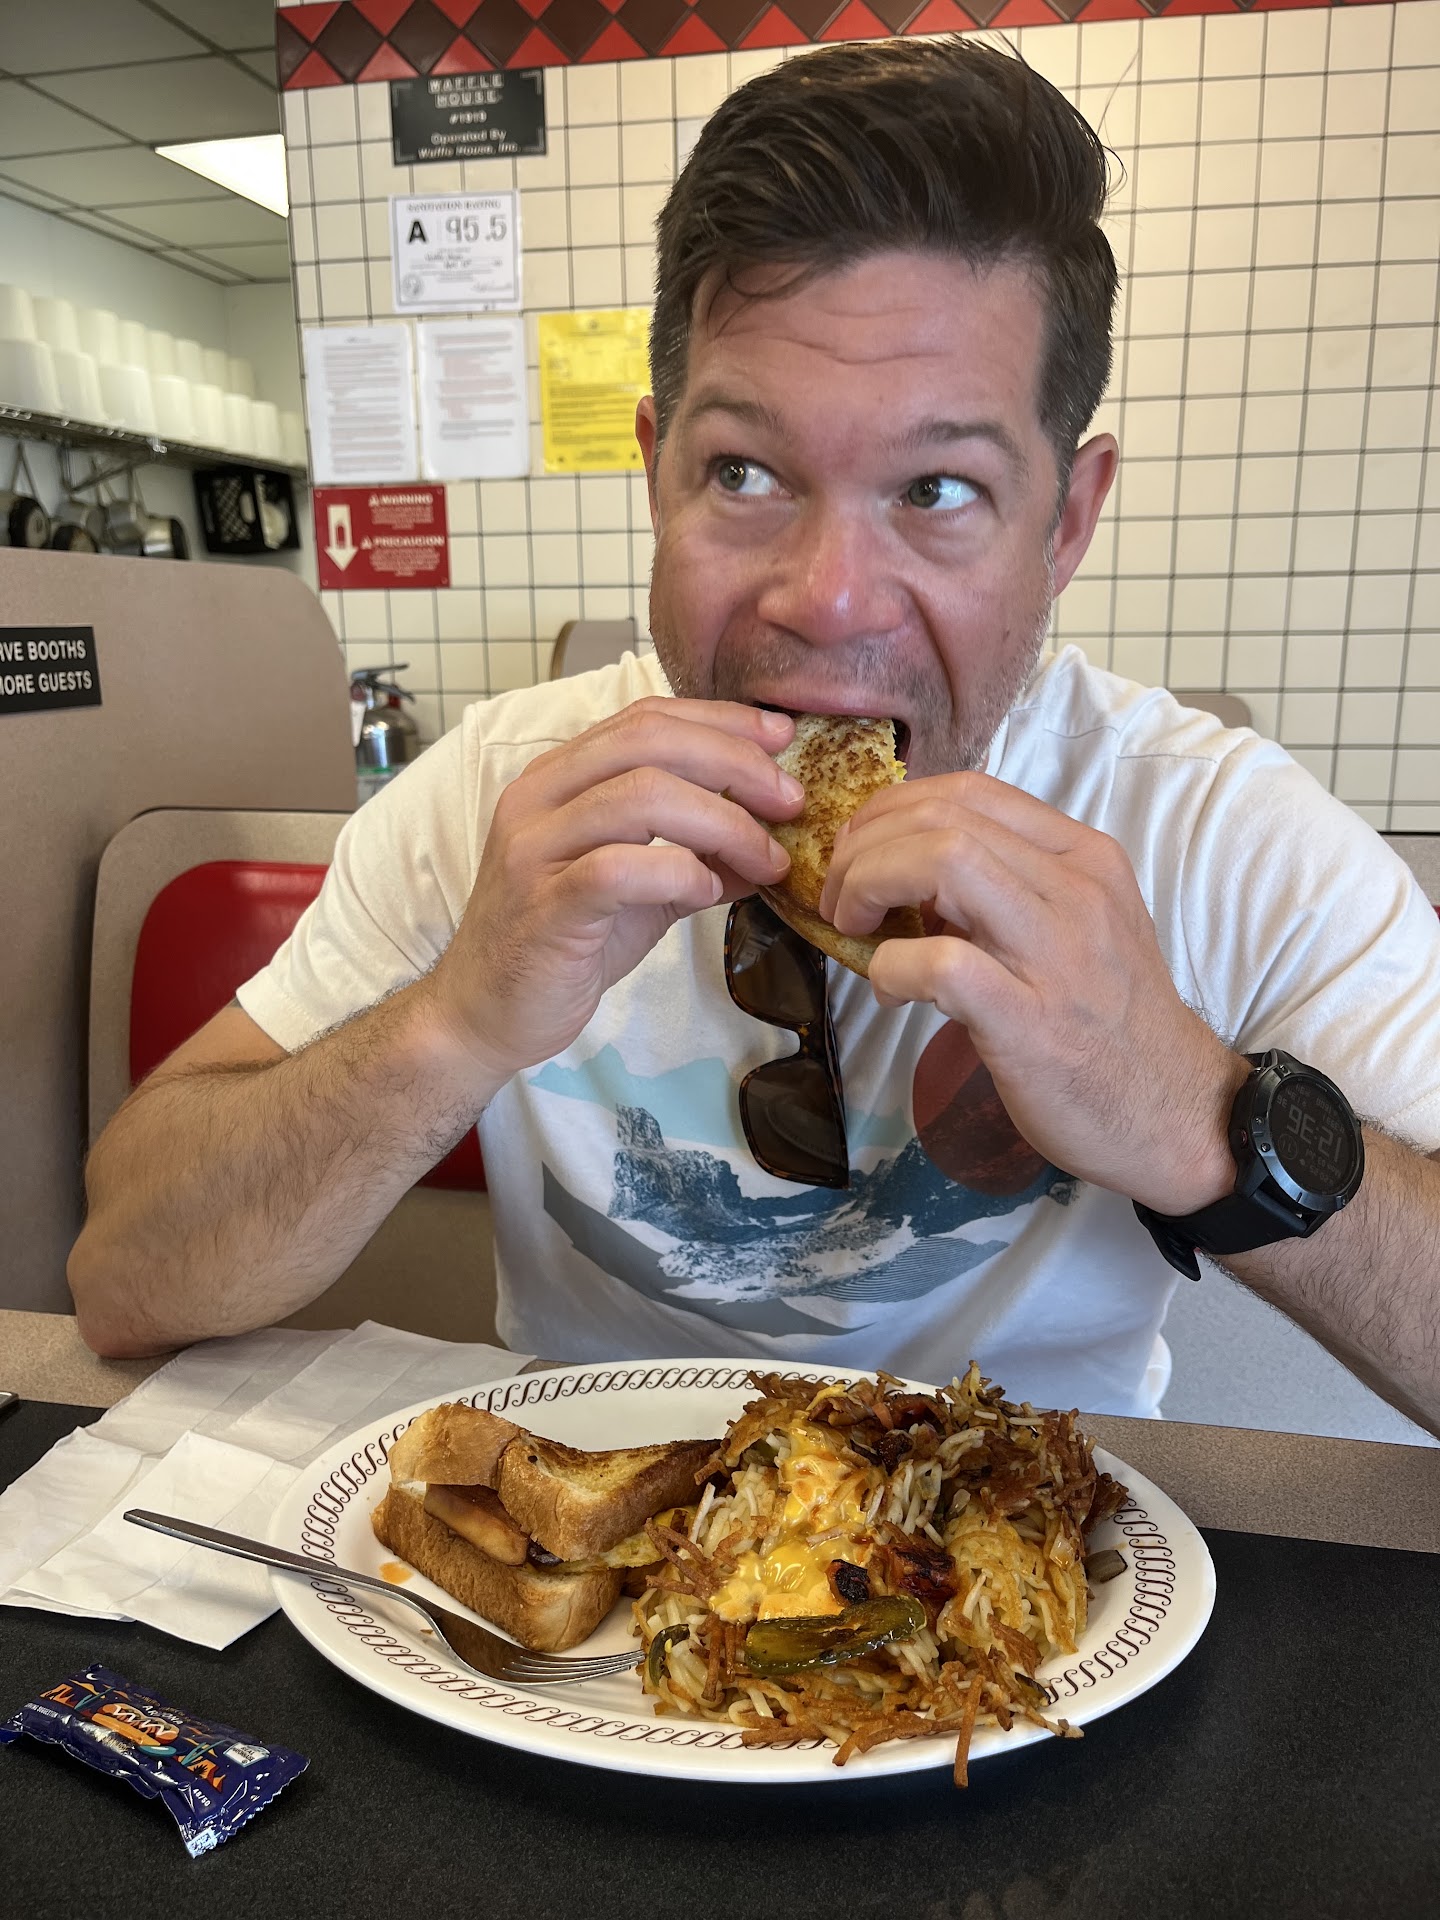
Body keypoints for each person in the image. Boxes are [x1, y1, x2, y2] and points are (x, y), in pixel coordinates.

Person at [69, 37, 1440, 1434]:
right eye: (744, 471)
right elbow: (123, 1277)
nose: (826, 598)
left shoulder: (1210, 834)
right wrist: (454, 1021)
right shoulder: (501, 799)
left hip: (1036, 1548)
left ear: (1066, 524)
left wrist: (1197, 1115)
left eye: (939, 489)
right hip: (599, 1544)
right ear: (656, 473)